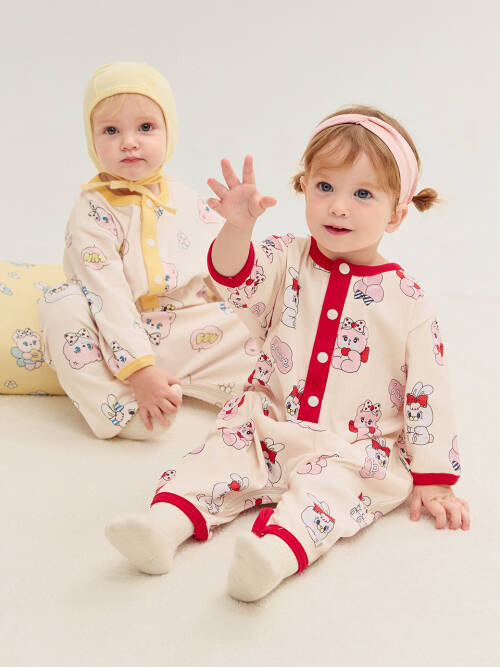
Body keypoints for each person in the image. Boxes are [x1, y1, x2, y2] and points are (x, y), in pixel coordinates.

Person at [105, 105, 470, 601]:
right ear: (304, 187)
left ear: (397, 214)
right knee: (217, 456)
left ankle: (272, 556)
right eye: (325, 187)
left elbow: (428, 391)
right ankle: (163, 526)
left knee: (331, 494)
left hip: (353, 447)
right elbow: (234, 277)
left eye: (363, 194)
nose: (338, 207)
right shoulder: (285, 256)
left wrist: (435, 478)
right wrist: (237, 227)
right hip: (267, 422)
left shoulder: (408, 300)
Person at [38, 62, 257, 440]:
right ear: (91, 139)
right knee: (61, 305)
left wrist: (239, 227)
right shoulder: (91, 211)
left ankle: (278, 389)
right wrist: (139, 371)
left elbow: (224, 278)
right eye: (111, 130)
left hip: (189, 333)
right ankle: (120, 407)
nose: (129, 142)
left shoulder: (187, 199)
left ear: (169, 132)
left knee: (263, 321)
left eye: (145, 127)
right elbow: (106, 296)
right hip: (112, 338)